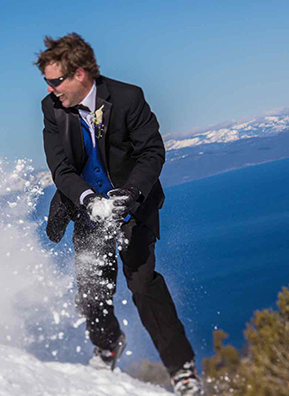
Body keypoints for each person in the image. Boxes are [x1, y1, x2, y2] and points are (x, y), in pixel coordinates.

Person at [35, 33, 203, 395]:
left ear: (80, 73)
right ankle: (108, 344)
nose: (50, 89)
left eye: (55, 81)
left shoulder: (127, 97)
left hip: (134, 205)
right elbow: (61, 169)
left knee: (143, 284)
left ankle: (183, 371)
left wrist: (129, 196)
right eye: (46, 82)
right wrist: (88, 200)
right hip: (85, 207)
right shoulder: (52, 110)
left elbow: (152, 152)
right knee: (92, 287)